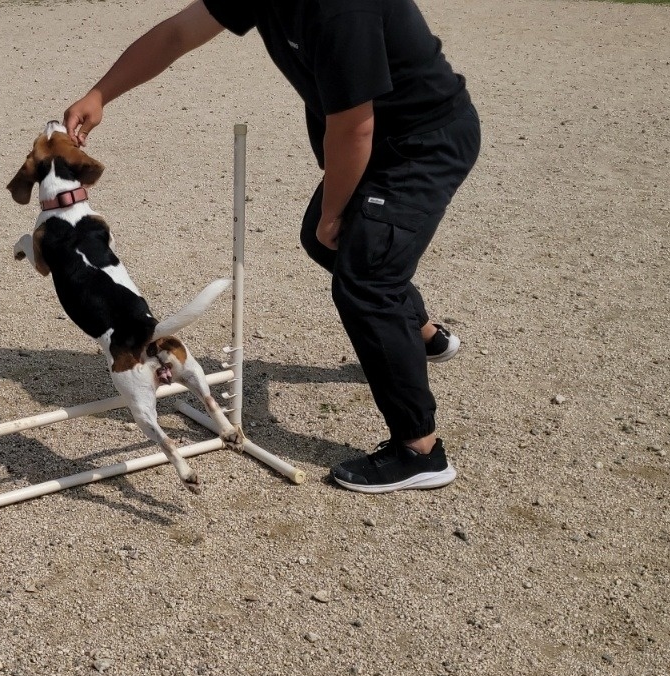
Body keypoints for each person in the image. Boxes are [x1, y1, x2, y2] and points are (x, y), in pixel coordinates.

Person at [62, 0, 481, 494]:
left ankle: (420, 450)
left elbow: (354, 127)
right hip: (377, 139)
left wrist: (334, 211)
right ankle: (423, 335)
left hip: (420, 143)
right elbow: (179, 33)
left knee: (365, 279)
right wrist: (101, 93)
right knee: (332, 246)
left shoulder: (341, 9)